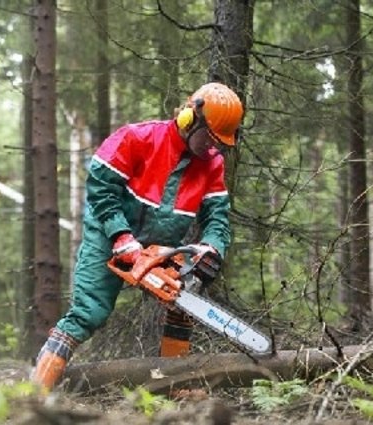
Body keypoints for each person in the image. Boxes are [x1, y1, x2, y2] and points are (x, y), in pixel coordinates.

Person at [31, 82, 244, 391]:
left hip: (161, 247)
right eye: (208, 140)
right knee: (89, 311)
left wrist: (211, 248)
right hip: (109, 232)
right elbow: (101, 188)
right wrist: (120, 236)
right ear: (189, 119)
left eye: (218, 145)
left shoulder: (211, 165)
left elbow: (217, 218)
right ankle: (37, 390)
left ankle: (175, 386)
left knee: (184, 301)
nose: (212, 150)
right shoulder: (137, 138)